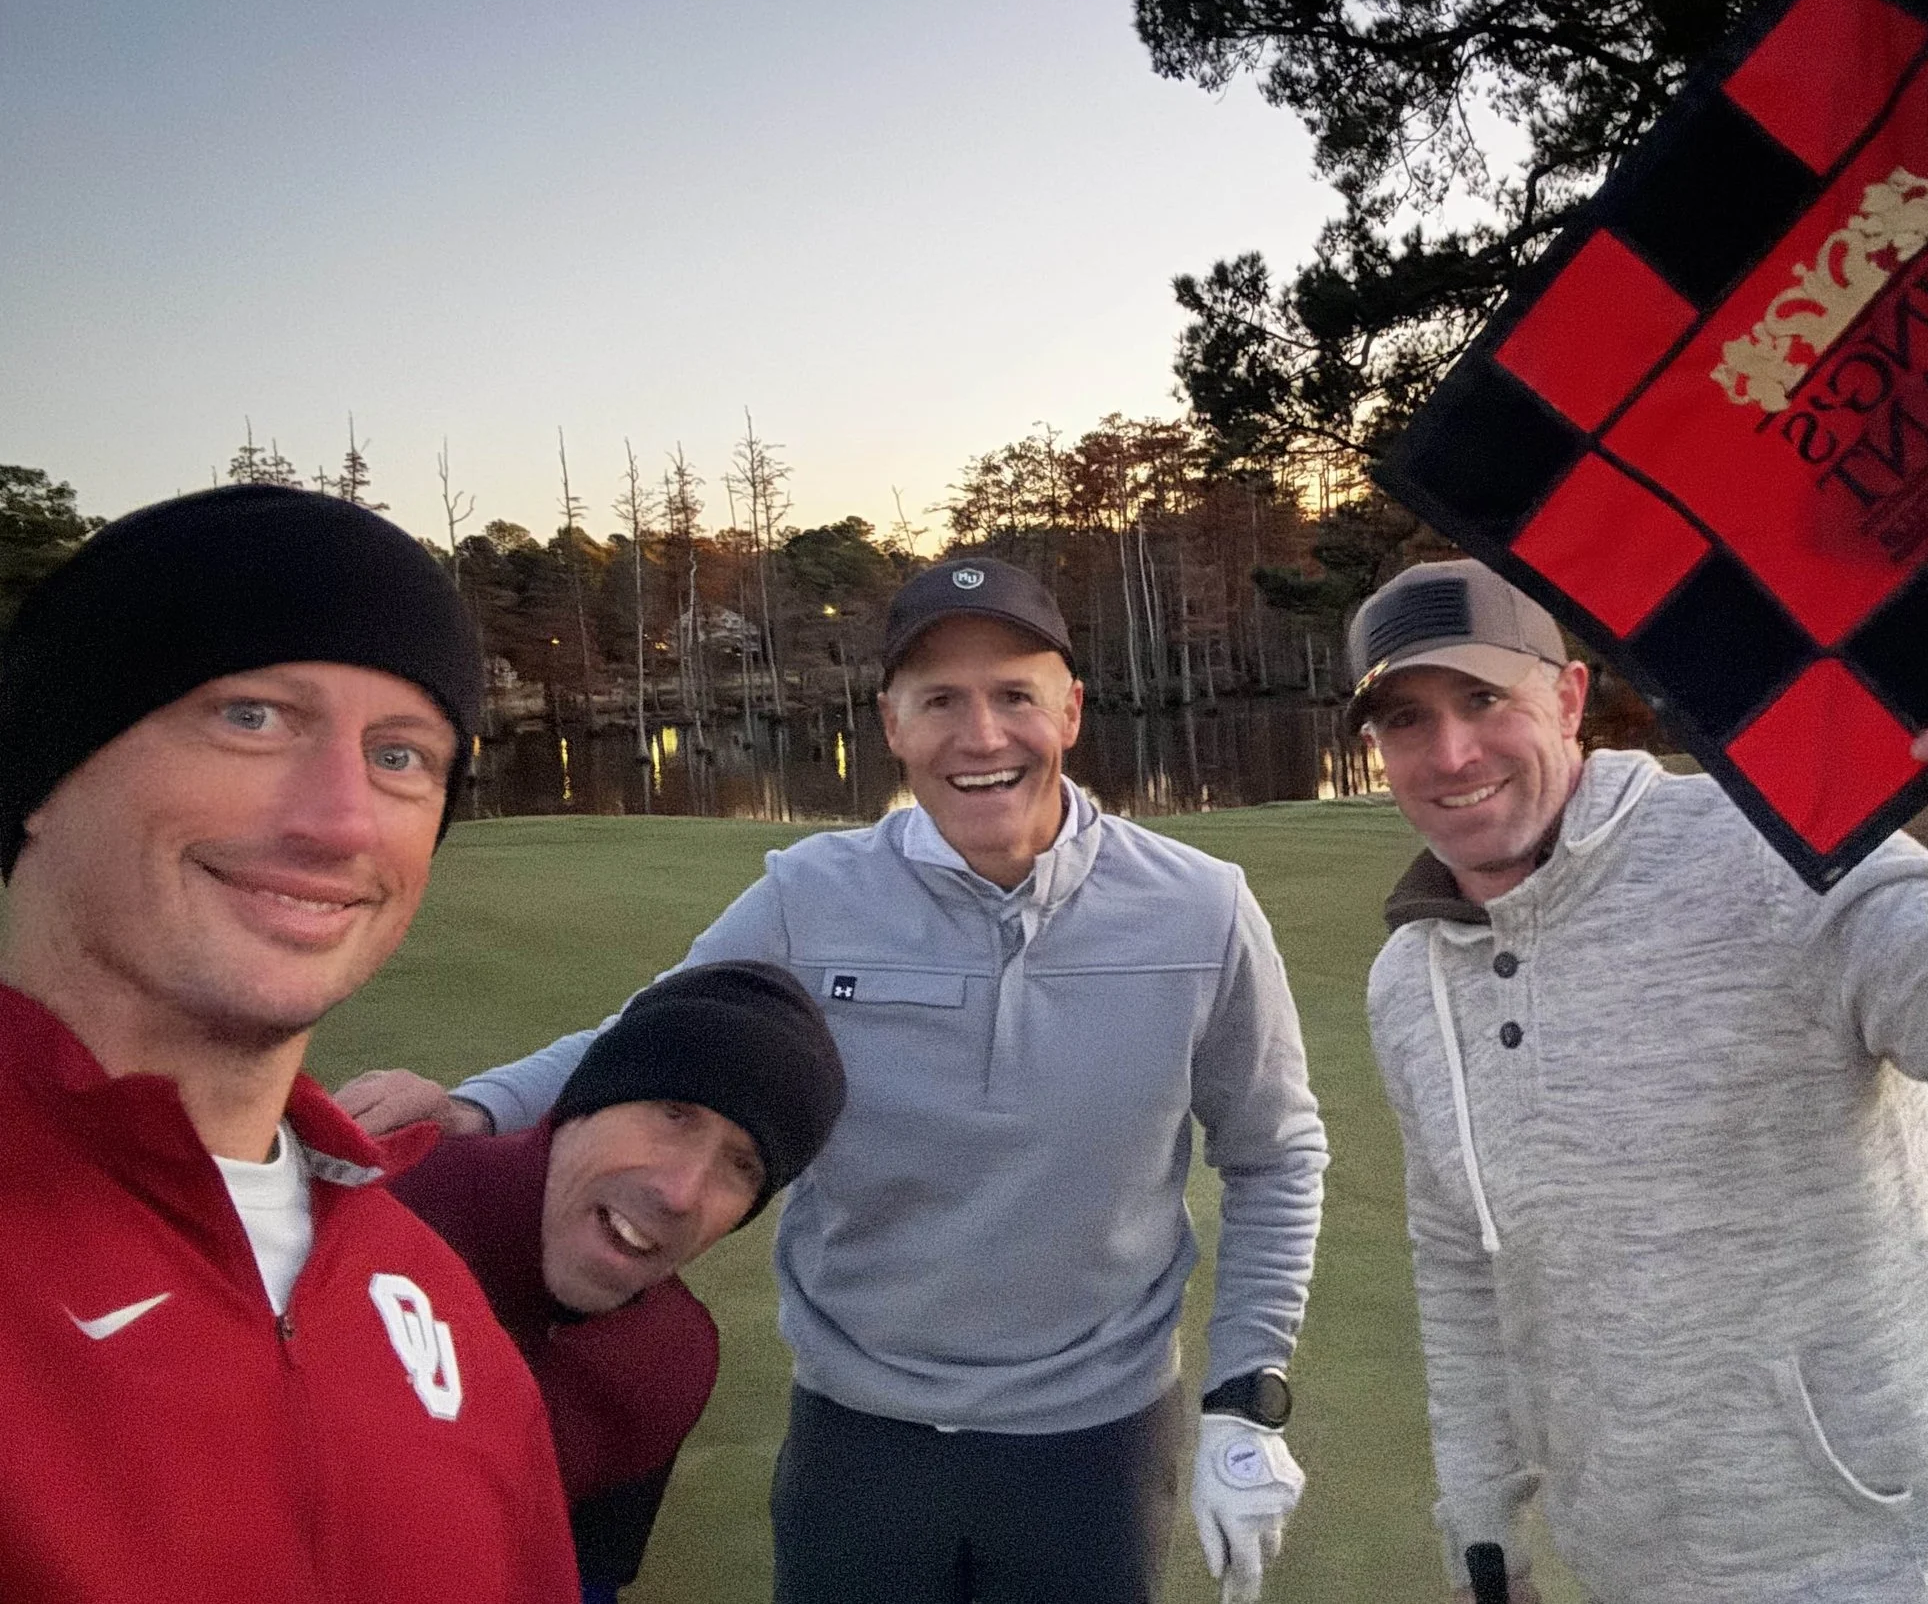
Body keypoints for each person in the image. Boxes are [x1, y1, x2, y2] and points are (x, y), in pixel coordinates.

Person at [344, 556, 1330, 1604]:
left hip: (1095, 1438)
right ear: (893, 725)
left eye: (1014, 697)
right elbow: (650, 1034)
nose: (981, 736)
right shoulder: (810, 895)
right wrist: (472, 1105)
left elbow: (1274, 1154)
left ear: (1072, 712)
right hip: (860, 1432)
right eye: (940, 701)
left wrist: (1245, 1394)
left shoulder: (1202, 910)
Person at [1348, 558, 1928, 1604]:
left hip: (1896, 1558)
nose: (1451, 752)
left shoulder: (1770, 854)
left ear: (1566, 699)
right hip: (1635, 1568)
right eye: (1405, 720)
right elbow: (1463, 1262)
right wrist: (1478, 1525)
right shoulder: (1409, 983)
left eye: (1482, 700)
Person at [0, 484, 578, 1604]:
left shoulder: (433, 1304)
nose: (342, 821)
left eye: (403, 756)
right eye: (253, 717)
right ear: (45, 770)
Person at [382, 959, 847, 1604]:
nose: (681, 1193)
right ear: (585, 1102)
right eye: (673, 1114)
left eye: (742, 1166)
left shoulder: (665, 1362)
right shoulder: (368, 1211)